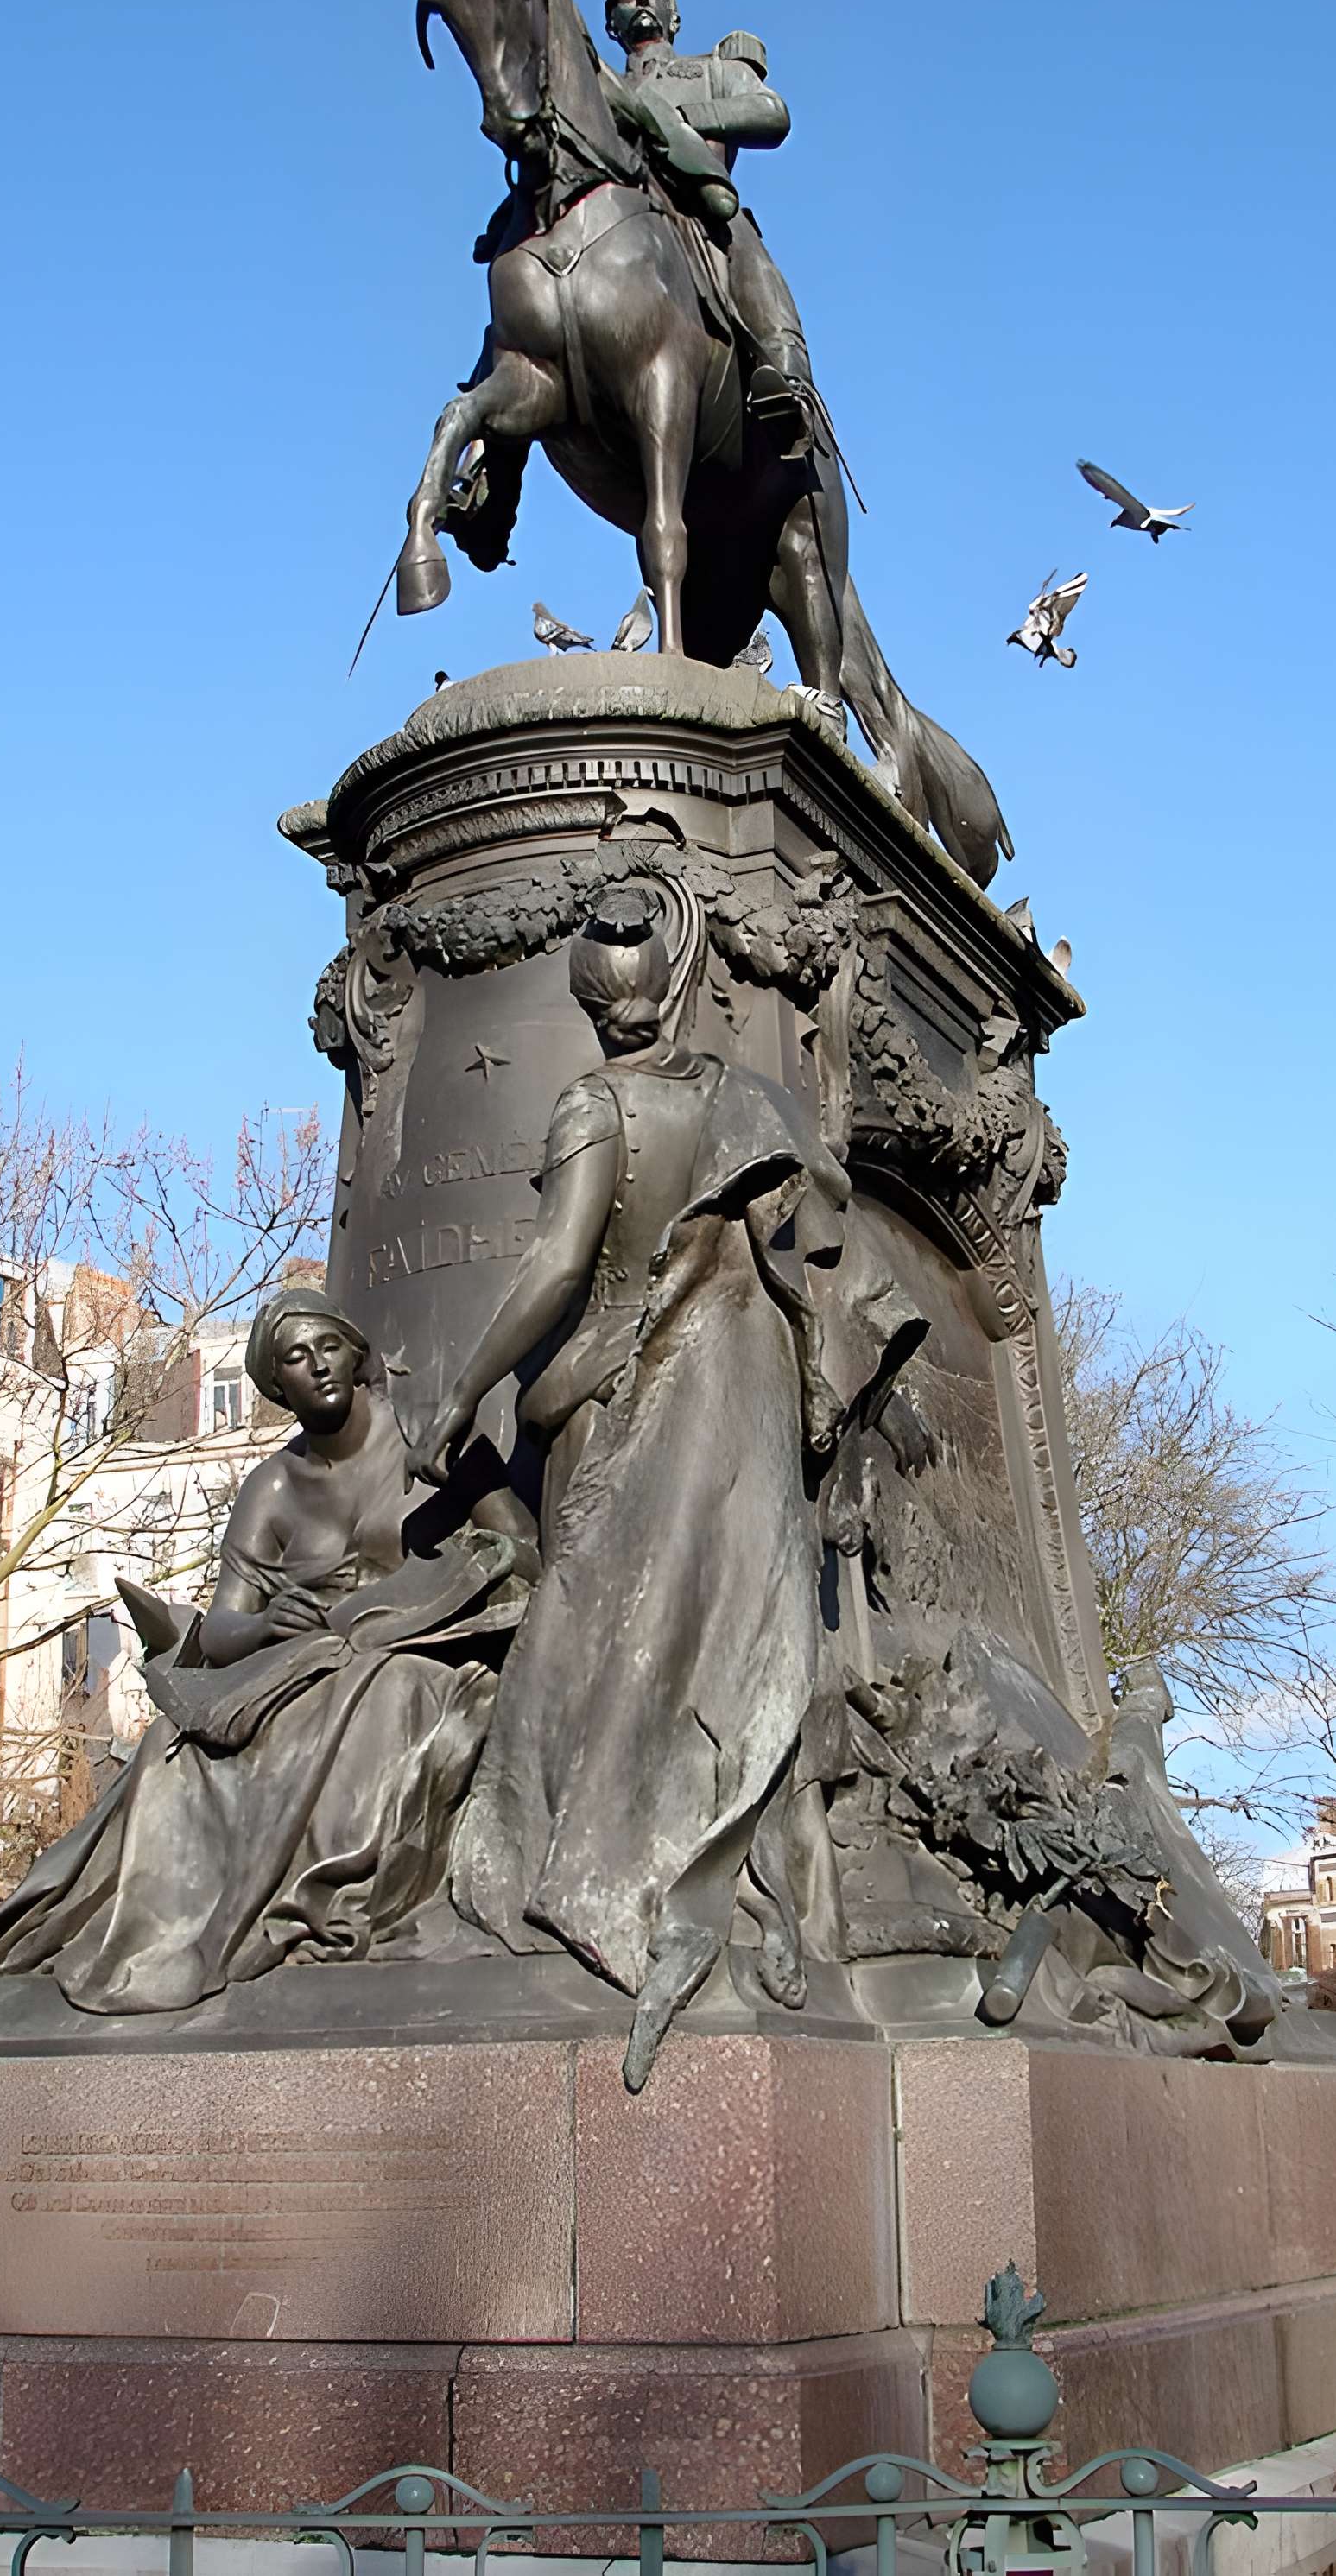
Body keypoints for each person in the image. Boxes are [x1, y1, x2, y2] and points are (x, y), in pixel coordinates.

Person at [408, 888, 924, 2087]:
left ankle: (601, 1866)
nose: (605, 1018)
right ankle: (753, 1883)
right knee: (734, 1630)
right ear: (686, 977)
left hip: (640, 1395)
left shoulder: (599, 1106)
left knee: (617, 1644)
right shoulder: (756, 1103)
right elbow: (826, 1255)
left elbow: (553, 1268)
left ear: (602, 999)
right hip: (741, 1397)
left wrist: (463, 1388)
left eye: (599, 1002)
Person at [0, 1290, 533, 2013]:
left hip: (423, 1655)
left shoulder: (428, 1433)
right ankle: (152, 1934)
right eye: (295, 1358)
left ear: (357, 1350)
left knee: (387, 1690)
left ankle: (319, 1904)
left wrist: (460, 1570)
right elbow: (222, 1629)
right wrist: (269, 1622)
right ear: (275, 1384)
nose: (317, 1366)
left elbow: (526, 1553)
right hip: (303, 1666)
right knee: (172, 1748)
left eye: (328, 1346)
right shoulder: (273, 1487)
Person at [601, 0, 827, 452]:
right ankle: (491, 466)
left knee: (743, 246)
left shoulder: (712, 71)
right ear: (610, 24)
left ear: (674, 16)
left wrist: (680, 119)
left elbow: (772, 114)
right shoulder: (598, 89)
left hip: (699, 212)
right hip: (614, 217)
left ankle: (787, 377)